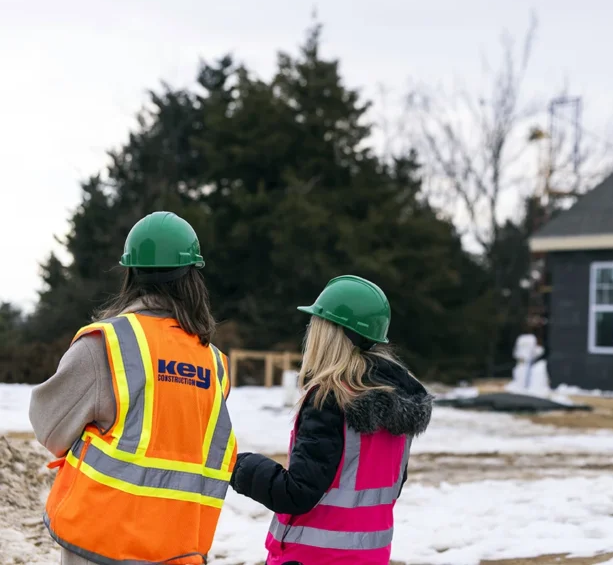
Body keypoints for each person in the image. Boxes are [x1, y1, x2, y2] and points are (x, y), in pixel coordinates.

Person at [30, 211, 236, 565]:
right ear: (192, 277)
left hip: (100, 544)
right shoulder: (214, 363)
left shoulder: (106, 344)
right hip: (178, 549)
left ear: (131, 273)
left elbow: (49, 427)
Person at [230, 275, 432, 565]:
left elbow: (296, 493)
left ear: (330, 333)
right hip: (370, 556)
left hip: (313, 557)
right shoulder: (401, 399)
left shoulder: (331, 398)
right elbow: (392, 486)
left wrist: (240, 466)